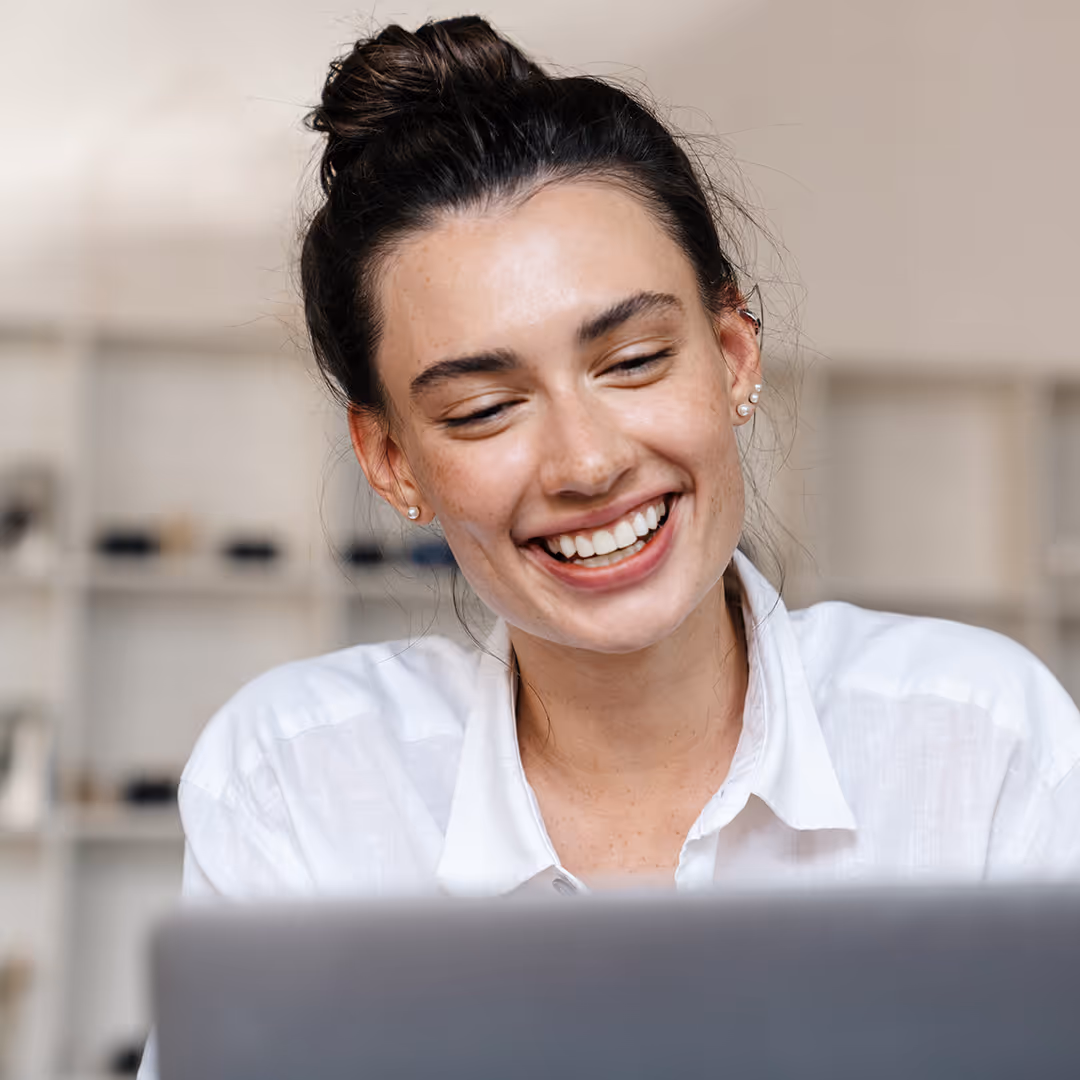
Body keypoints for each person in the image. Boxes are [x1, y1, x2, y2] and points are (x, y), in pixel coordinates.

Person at [137, 14, 1079, 1078]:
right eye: (486, 408)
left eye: (632, 360)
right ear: (391, 459)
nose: (585, 464)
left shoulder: (977, 742)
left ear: (730, 357)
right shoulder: (303, 779)